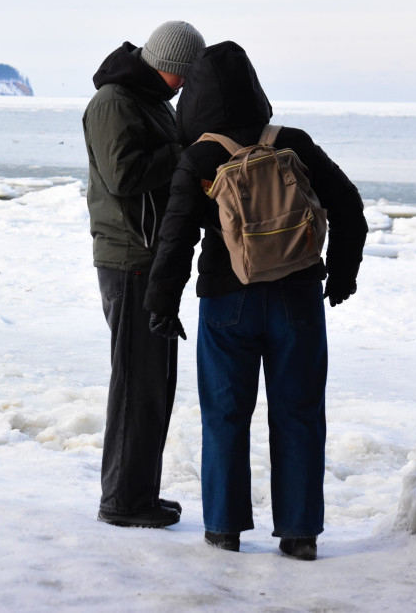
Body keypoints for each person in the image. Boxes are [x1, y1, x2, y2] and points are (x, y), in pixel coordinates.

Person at [144, 41, 367, 556]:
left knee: (224, 415)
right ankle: (300, 535)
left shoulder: (199, 157)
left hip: (227, 302)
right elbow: (348, 205)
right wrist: (342, 273)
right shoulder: (293, 142)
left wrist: (163, 302)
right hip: (298, 296)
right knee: (300, 414)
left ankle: (223, 529)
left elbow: (176, 237)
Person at [83, 20, 206, 528]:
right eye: (183, 76)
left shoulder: (150, 99)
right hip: (128, 258)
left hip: (147, 256)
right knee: (137, 383)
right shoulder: (114, 102)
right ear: (165, 66)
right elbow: (125, 175)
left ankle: (138, 493)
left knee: (153, 382)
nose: (185, 87)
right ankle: (122, 502)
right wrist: (186, 153)